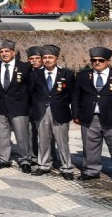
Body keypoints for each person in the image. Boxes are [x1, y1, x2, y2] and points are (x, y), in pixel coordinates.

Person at [72, 47, 112, 187]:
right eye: (93, 60)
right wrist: (76, 115)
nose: (97, 62)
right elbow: (76, 97)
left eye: (100, 60)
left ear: (108, 61)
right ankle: (91, 171)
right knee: (90, 146)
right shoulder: (83, 76)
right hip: (90, 118)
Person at [0, 39, 33, 173]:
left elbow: (30, 89)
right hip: (0, 107)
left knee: (22, 136)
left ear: (13, 53)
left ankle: (25, 160)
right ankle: (3, 159)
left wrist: (28, 107)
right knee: (2, 135)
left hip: (19, 107)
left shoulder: (25, 67)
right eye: (1, 52)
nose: (4, 54)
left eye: (7, 51)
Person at [30, 45, 74, 179]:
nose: (47, 60)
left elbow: (72, 94)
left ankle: (66, 168)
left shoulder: (67, 74)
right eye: (45, 57)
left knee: (62, 141)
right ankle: (44, 165)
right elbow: (31, 93)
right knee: (43, 140)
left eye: (50, 57)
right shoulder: (35, 74)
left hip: (60, 111)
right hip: (42, 112)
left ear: (57, 58)